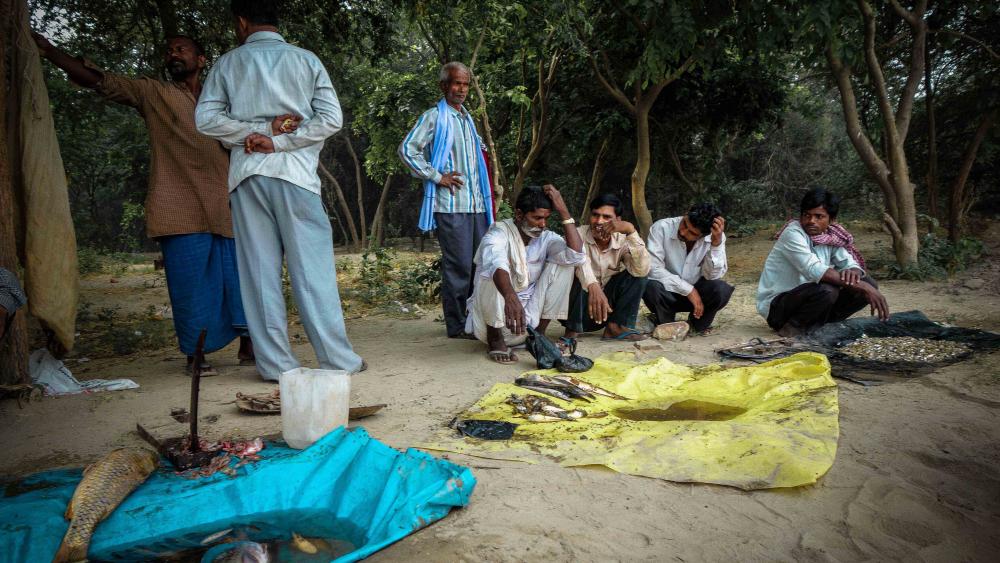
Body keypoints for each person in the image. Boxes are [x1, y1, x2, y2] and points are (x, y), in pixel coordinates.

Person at [31, 31, 266, 375]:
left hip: (226, 203)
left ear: (201, 60)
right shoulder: (154, 93)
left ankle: (249, 345)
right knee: (190, 285)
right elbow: (101, 81)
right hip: (178, 205)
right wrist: (51, 52)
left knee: (240, 278)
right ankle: (196, 356)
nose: (173, 53)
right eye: (169, 49)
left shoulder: (225, 100)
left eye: (181, 48)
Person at [195, 0, 363, 380]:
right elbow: (331, 119)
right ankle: (339, 361)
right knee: (313, 271)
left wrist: (253, 134)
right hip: (296, 175)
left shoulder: (228, 63)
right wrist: (278, 139)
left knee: (258, 273)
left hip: (247, 176)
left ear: (241, 22)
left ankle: (275, 367)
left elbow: (204, 119)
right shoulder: (306, 60)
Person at [399, 61, 494, 340]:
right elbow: (407, 149)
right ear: (444, 86)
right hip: (452, 206)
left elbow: (478, 156)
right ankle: (456, 325)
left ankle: (474, 320)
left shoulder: (466, 118)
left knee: (480, 265)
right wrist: (436, 176)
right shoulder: (434, 117)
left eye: (465, 84)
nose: (461, 89)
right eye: (456, 83)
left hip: (477, 205)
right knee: (460, 266)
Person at [467, 185, 586, 364]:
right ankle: (495, 340)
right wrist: (510, 296)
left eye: (546, 218)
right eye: (537, 218)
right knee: (491, 272)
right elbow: (496, 262)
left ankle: (538, 334)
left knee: (565, 265)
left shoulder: (546, 238)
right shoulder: (498, 233)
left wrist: (563, 211)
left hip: (527, 321)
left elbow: (575, 255)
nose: (542, 224)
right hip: (493, 321)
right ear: (519, 214)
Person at [757, 188, 889, 336]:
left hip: (810, 300)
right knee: (828, 289)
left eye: (819, 216)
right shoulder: (793, 233)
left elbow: (849, 263)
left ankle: (821, 325)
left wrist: (853, 272)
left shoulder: (830, 236)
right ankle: (792, 328)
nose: (811, 221)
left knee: (868, 282)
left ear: (831, 220)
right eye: (807, 215)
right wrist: (863, 287)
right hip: (778, 309)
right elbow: (814, 269)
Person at [562, 194, 650, 341]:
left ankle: (616, 327)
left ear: (618, 221)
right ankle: (571, 331)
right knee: (575, 270)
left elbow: (642, 269)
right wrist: (593, 286)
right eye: (595, 215)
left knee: (638, 276)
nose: (599, 221)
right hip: (573, 310)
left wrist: (631, 231)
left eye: (606, 217)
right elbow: (578, 263)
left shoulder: (623, 239)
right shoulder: (576, 235)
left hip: (604, 311)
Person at [642, 203, 734, 335]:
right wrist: (689, 290)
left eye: (692, 232)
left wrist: (716, 245)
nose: (683, 232)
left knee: (721, 289)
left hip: (698, 298)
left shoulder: (714, 238)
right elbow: (653, 269)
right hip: (667, 293)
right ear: (686, 214)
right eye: (685, 224)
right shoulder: (661, 227)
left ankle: (696, 325)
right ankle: (666, 323)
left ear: (703, 235)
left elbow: (712, 276)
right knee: (650, 286)